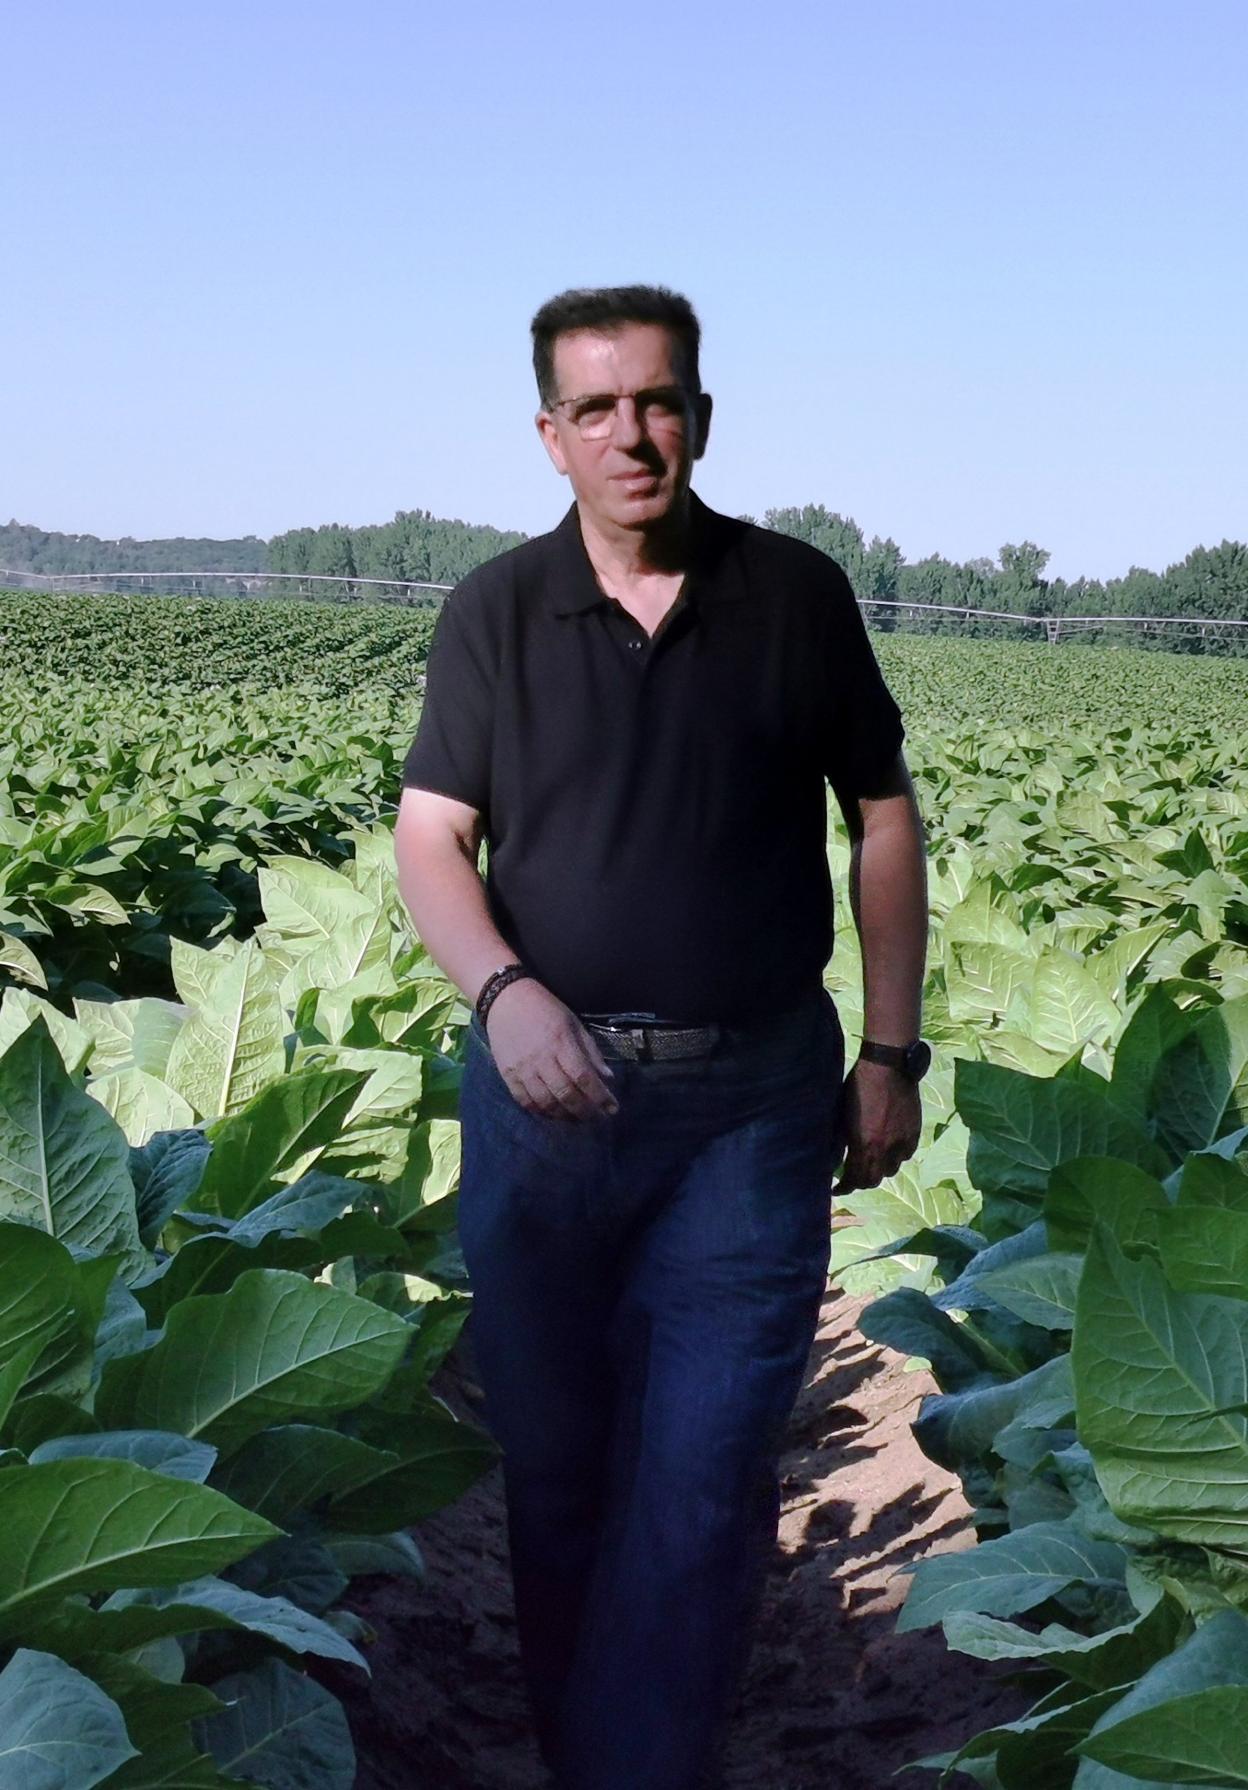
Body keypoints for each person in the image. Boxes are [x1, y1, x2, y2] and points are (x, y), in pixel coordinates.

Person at [393, 285, 929, 1790]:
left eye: (662, 400)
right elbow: (432, 835)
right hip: (543, 1113)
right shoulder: (495, 609)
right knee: (559, 1482)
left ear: (701, 413)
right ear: (550, 436)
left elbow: (881, 814)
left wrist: (890, 1051)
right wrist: (505, 995)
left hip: (752, 1112)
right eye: (601, 408)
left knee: (698, 1487)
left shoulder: (795, 594)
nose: (637, 433)